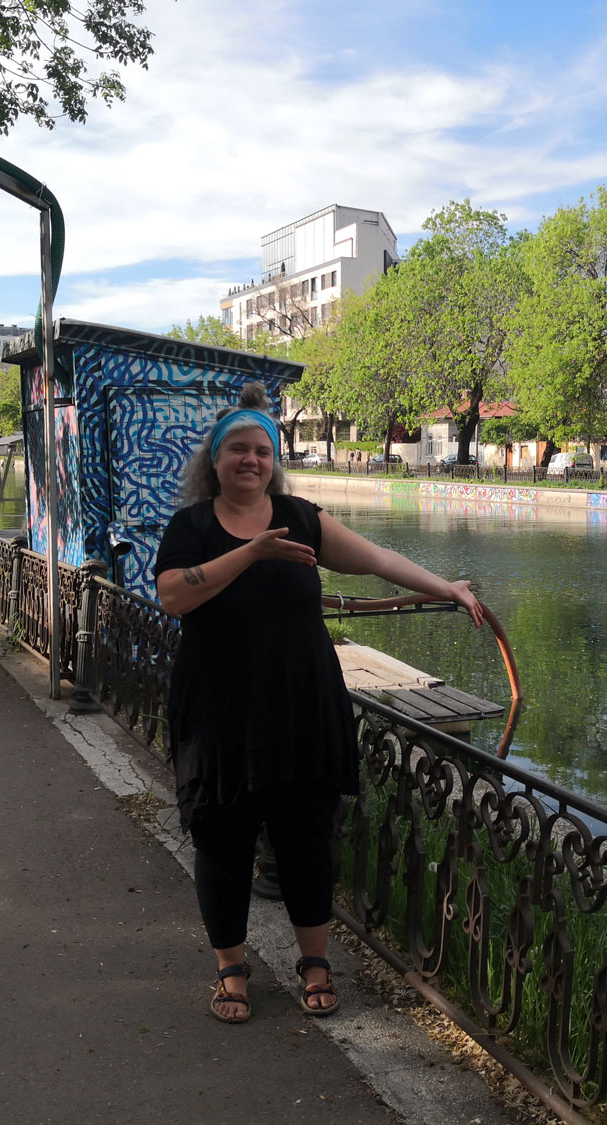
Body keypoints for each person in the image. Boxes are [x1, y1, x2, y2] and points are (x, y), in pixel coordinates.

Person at [154, 382, 483, 1024]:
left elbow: (379, 560)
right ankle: (231, 970)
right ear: (214, 460)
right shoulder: (190, 525)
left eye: (263, 451)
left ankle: (316, 963)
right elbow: (173, 596)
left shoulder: (302, 516)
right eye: (238, 450)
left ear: (275, 460)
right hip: (219, 712)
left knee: (308, 840)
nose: (251, 461)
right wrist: (252, 552)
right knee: (222, 842)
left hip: (300, 704)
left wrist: (445, 585)